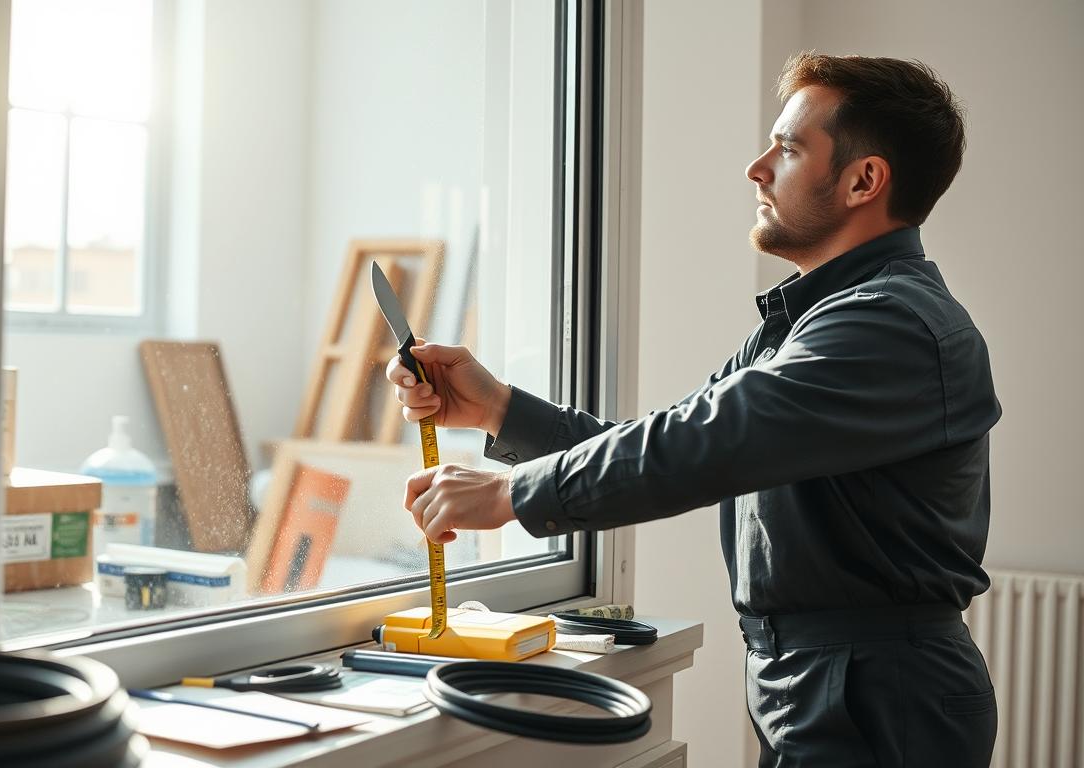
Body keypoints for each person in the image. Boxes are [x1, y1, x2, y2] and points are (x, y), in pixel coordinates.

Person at [387, 53, 1000, 767]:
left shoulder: (891, 326)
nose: (758, 167)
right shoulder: (807, 324)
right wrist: (497, 409)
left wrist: (510, 494)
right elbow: (664, 440)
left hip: (882, 699)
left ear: (865, 180)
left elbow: (698, 444)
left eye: (790, 147)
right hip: (824, 687)